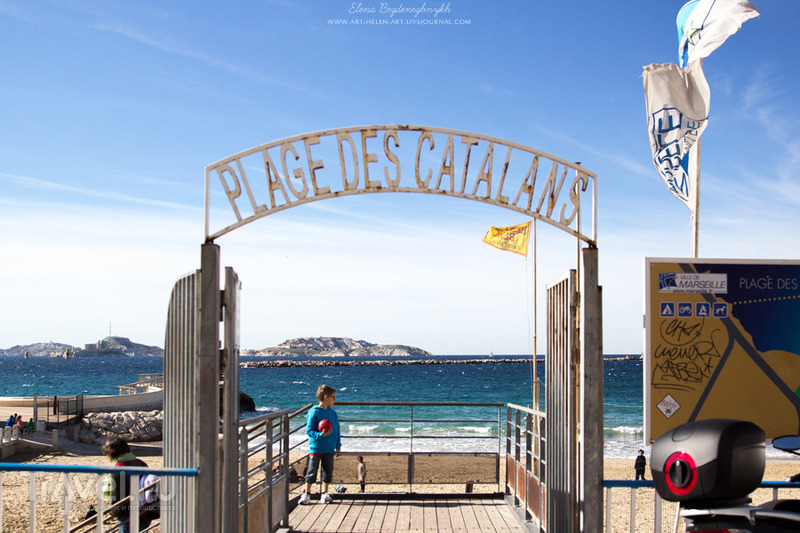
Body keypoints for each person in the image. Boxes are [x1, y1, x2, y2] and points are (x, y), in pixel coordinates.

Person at [101, 436, 153, 532]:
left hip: (128, 517)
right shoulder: (141, 463)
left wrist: (113, 513)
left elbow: (117, 499)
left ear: (111, 453)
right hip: (145, 513)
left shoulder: (117, 470)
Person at [299, 384, 341, 505]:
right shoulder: (314, 412)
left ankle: (325, 493)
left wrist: (338, 446)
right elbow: (309, 430)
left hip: (329, 448)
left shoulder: (333, 414)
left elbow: (337, 430)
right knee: (312, 471)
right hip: (316, 447)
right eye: (333, 397)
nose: (335, 400)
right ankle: (307, 494)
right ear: (326, 397)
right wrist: (320, 435)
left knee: (327, 472)